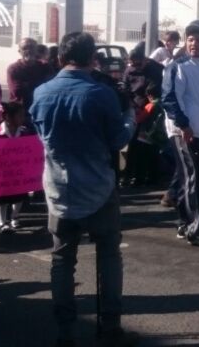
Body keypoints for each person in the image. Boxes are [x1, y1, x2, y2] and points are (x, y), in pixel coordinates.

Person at [30, 32, 137, 346]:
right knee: (108, 257)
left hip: (58, 189)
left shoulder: (41, 93)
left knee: (62, 260)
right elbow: (118, 139)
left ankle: (65, 331)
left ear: (61, 58)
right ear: (93, 58)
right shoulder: (100, 94)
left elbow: (40, 136)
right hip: (98, 188)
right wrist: (130, 117)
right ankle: (110, 326)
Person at [161, 23, 199, 244]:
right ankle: (196, 229)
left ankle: (185, 224)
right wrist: (183, 125)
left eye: (198, 40)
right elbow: (169, 98)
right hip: (182, 132)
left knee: (190, 179)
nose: (194, 43)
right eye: (190, 39)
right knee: (192, 178)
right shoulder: (177, 67)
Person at [120, 43, 164, 188]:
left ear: (144, 60)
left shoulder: (155, 69)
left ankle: (152, 176)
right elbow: (125, 89)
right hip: (135, 109)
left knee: (150, 145)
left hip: (151, 110)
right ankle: (132, 176)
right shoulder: (129, 71)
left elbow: (157, 91)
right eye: (133, 65)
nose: (136, 68)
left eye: (139, 64)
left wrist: (150, 106)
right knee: (134, 146)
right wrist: (131, 105)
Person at [0, 101, 32, 234]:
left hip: (19, 171)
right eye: (19, 116)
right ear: (8, 117)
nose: (22, 119)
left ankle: (15, 216)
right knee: (2, 197)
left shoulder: (25, 133)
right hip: (2, 173)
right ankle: (2, 221)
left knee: (19, 195)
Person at [7, 37, 52, 109]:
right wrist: (40, 85)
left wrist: (27, 84)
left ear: (36, 50)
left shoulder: (45, 67)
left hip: (41, 107)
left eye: (32, 47)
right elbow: (17, 92)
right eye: (25, 48)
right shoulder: (14, 69)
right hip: (21, 112)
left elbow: (50, 89)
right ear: (19, 51)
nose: (29, 51)